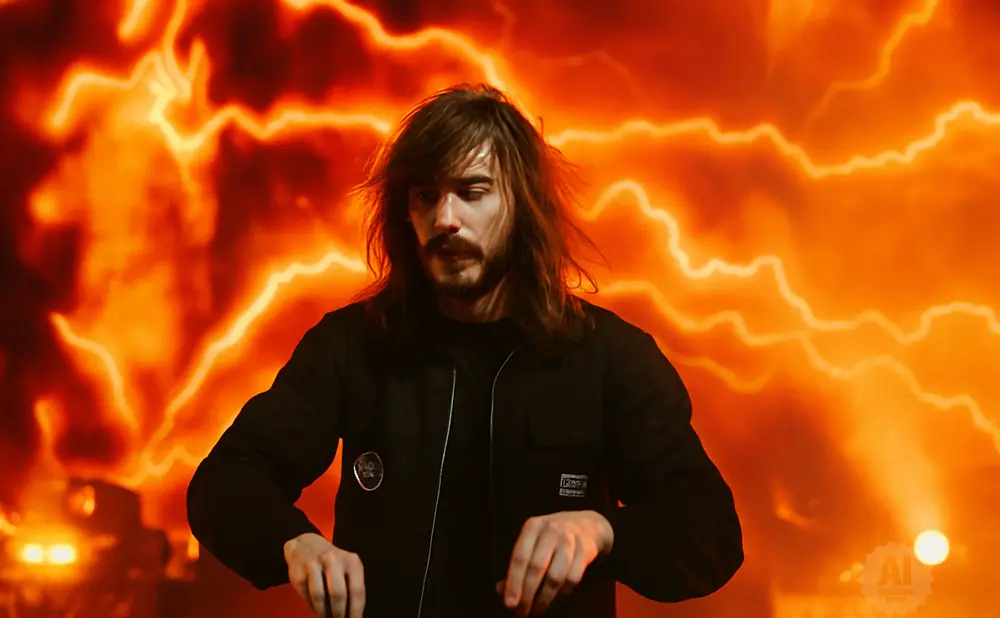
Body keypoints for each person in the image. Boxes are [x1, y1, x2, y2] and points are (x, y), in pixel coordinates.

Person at [186, 83, 744, 618]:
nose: (445, 219)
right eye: (426, 197)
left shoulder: (611, 358)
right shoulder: (352, 346)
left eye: (472, 193)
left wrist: (601, 530)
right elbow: (226, 481)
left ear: (522, 205)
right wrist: (294, 543)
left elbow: (710, 533)